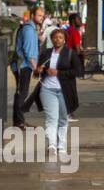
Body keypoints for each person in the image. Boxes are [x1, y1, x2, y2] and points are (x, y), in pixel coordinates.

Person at [27, 28, 79, 162]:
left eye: (60, 37)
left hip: (64, 90)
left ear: (65, 40)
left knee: (63, 119)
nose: (57, 40)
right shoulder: (46, 53)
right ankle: (51, 145)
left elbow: (78, 71)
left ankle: (61, 145)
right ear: (51, 39)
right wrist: (38, 70)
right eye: (55, 37)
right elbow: (36, 74)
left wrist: (58, 73)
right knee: (51, 118)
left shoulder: (70, 53)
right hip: (47, 89)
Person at [12, 7, 46, 130]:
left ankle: (18, 121)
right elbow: (27, 50)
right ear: (32, 15)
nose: (41, 18)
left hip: (25, 65)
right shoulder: (28, 29)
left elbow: (31, 47)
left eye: (42, 16)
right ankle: (19, 122)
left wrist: (39, 40)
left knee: (21, 92)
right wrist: (34, 66)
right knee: (22, 93)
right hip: (23, 65)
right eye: (39, 15)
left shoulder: (31, 29)